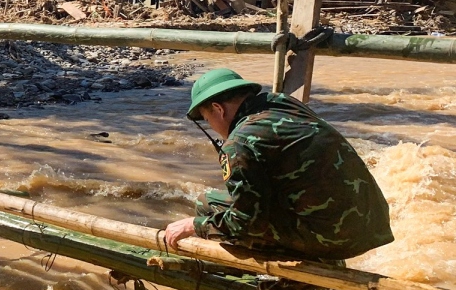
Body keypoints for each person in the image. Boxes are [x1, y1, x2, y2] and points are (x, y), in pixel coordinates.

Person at [163, 68, 394, 264]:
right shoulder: (285, 104)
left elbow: (247, 224)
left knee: (206, 205)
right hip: (373, 226)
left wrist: (195, 225)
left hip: (336, 239)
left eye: (206, 118)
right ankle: (320, 262)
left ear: (218, 109)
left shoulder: (240, 143)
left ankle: (286, 276)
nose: (211, 126)